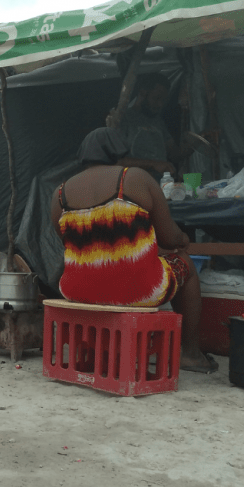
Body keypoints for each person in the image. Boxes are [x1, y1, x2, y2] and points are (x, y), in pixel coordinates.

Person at [49, 128, 217, 374]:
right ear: (118, 152)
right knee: (185, 264)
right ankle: (191, 354)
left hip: (77, 291)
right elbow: (169, 237)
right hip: (138, 290)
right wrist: (182, 239)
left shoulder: (60, 193)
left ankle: (100, 352)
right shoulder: (134, 178)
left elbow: (68, 240)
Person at [116, 72, 189, 177]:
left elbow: (174, 154)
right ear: (142, 93)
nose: (160, 104)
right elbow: (117, 161)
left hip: (159, 185)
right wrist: (153, 164)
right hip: (133, 185)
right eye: (157, 98)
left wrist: (199, 140)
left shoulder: (157, 121)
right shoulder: (124, 119)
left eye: (163, 100)